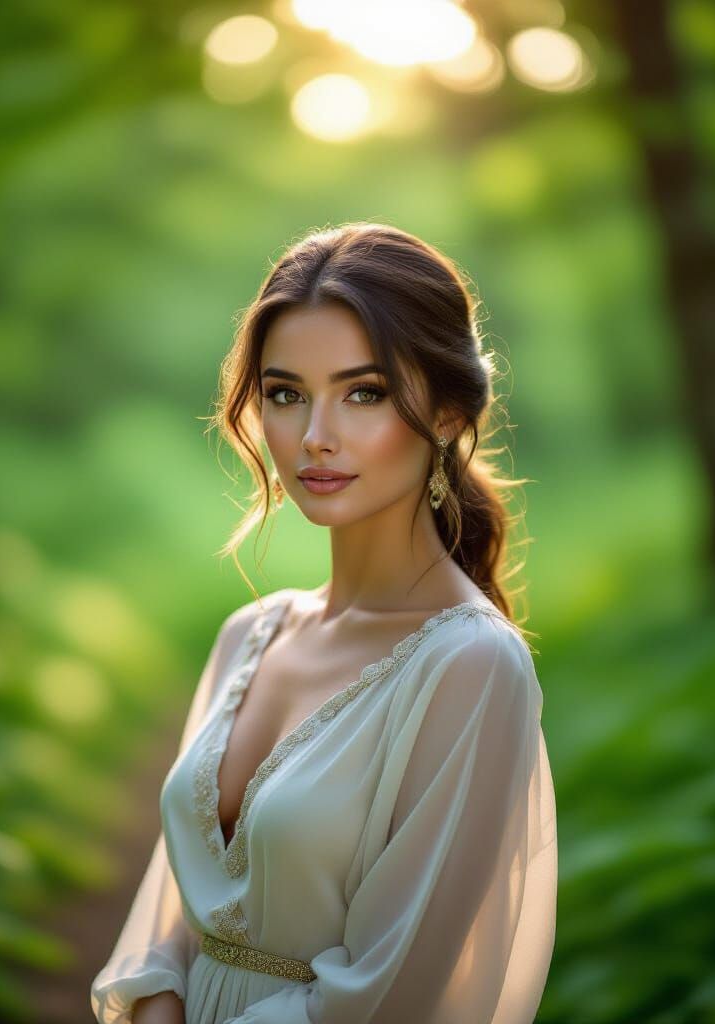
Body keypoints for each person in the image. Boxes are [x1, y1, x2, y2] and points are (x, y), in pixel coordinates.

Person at [90, 222, 557, 1024]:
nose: (314, 438)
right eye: (285, 394)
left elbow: (393, 990)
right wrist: (159, 1001)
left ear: (446, 412)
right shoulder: (251, 634)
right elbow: (171, 911)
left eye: (363, 393)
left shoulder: (471, 667)